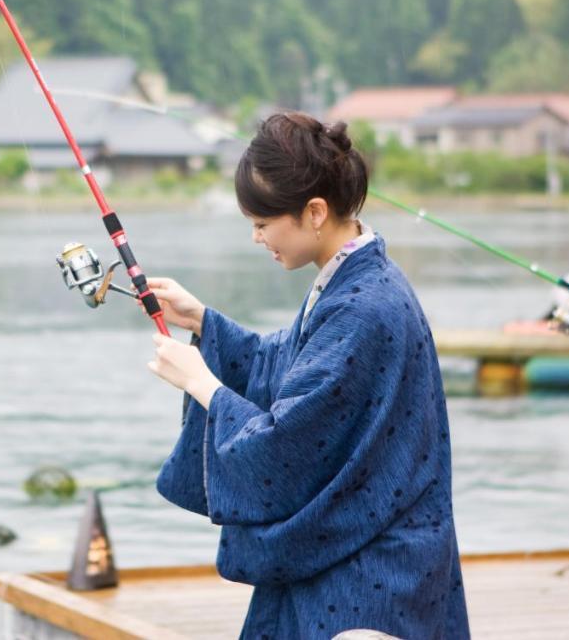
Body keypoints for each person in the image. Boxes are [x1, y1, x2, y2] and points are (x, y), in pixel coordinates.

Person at [147, 112, 470, 640]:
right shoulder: (354, 282)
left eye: (261, 223)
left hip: (375, 578)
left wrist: (201, 384)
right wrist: (203, 320)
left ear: (314, 211)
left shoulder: (364, 305)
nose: (256, 238)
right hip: (360, 547)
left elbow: (287, 442)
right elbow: (290, 365)